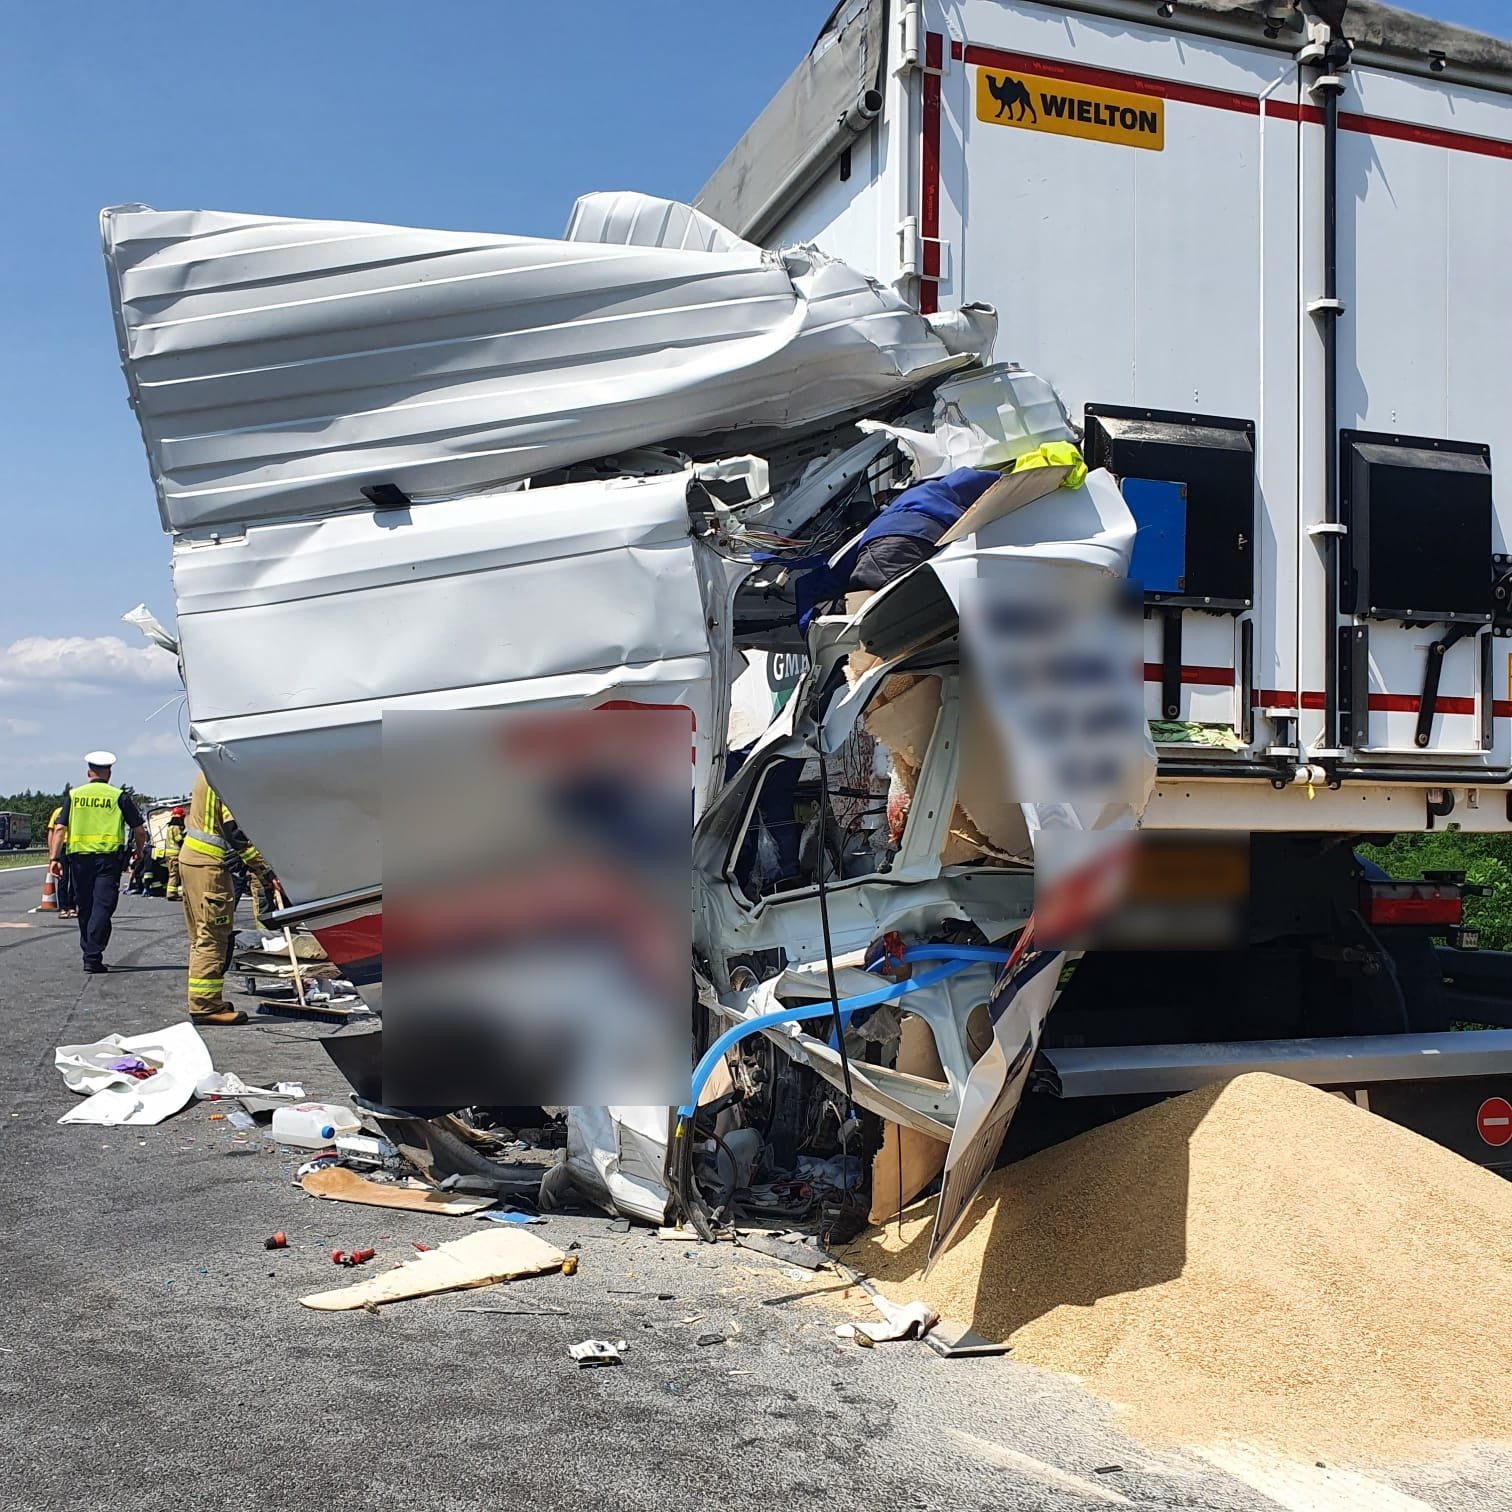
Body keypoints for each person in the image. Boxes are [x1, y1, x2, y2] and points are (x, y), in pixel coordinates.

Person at [178, 770, 273, 1025]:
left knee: (201, 936)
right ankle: (206, 1006)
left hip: (193, 859)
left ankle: (206, 1000)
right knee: (214, 936)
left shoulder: (205, 770)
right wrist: (264, 870)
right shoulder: (223, 775)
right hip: (209, 865)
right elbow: (235, 831)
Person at [47, 753, 147, 973]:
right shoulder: (118, 796)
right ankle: (92, 955)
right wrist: (139, 854)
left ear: (88, 773)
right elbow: (139, 830)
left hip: (79, 861)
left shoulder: (74, 795)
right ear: (109, 773)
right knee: (103, 906)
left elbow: (60, 829)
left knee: (85, 906)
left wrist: (54, 858)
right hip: (108, 861)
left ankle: (89, 951)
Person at [47, 798, 77, 917]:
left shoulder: (77, 812)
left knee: (75, 879)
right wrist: (52, 853)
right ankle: (63, 908)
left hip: (75, 846)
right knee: (63, 879)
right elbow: (52, 832)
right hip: (61, 847)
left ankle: (72, 907)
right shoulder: (57, 812)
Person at [164, 805, 186, 901]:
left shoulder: (169, 827)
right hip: (175, 854)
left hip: (169, 854)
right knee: (174, 874)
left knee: (172, 873)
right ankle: (171, 894)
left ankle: (173, 892)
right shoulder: (176, 827)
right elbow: (178, 839)